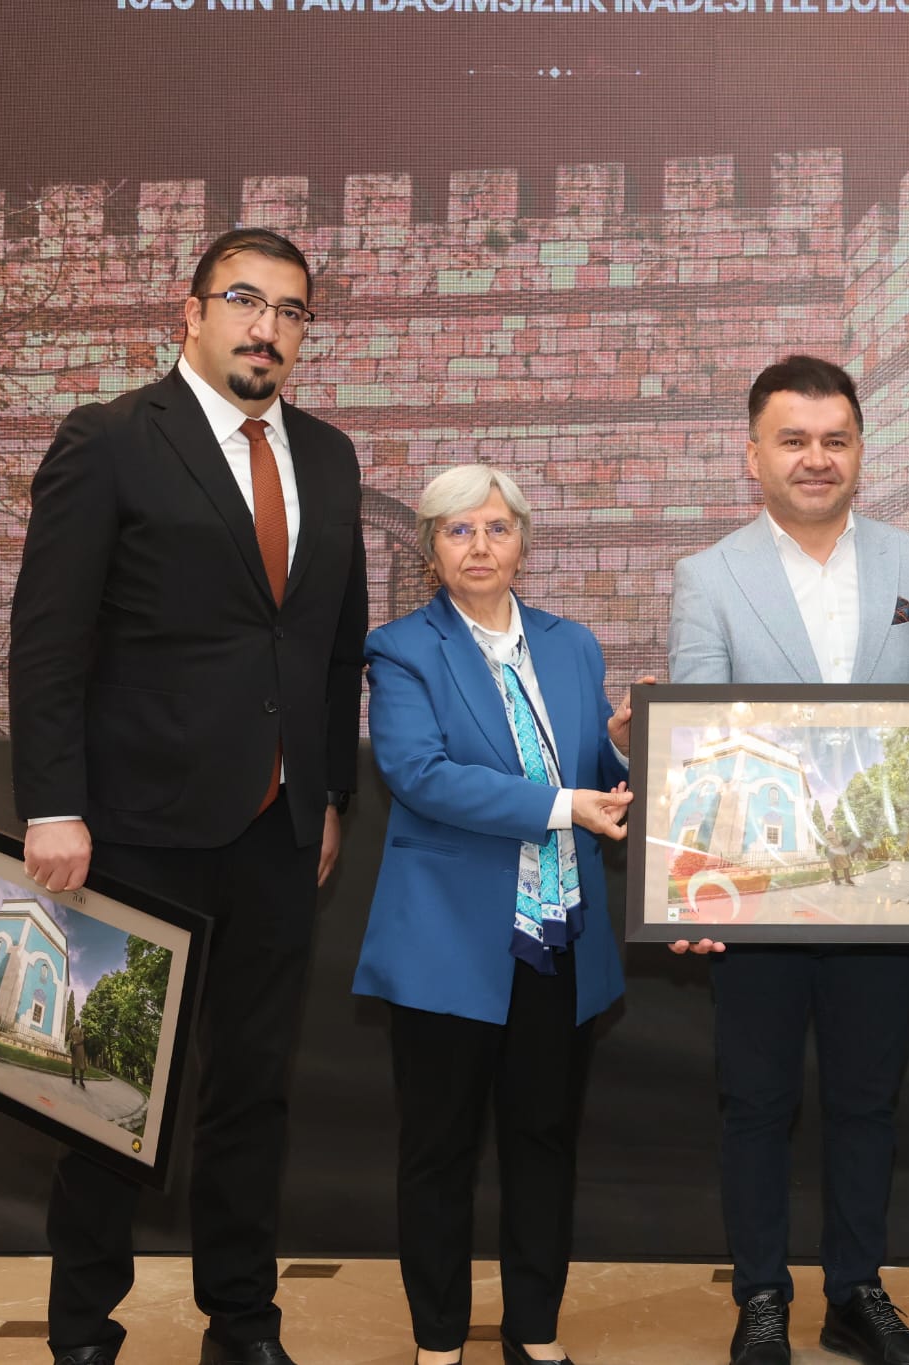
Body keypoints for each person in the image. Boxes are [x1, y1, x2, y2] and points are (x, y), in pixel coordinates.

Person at [9, 227, 368, 1365]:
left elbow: (331, 644)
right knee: (108, 1086)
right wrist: (52, 803)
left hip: (277, 828)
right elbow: (49, 639)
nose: (268, 328)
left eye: (291, 311)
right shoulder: (110, 439)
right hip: (134, 825)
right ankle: (83, 1330)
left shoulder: (329, 457)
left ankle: (243, 1325)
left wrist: (328, 793)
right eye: (246, 301)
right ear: (194, 311)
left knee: (252, 1091)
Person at [667, 356, 909, 1365]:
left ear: (860, 450)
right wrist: (692, 887)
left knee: (866, 1100)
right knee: (755, 1102)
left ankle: (856, 1292)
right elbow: (697, 737)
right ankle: (761, 1296)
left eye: (835, 439)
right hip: (758, 891)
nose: (815, 458)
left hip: (886, 885)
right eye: (792, 440)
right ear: (752, 455)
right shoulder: (708, 576)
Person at [352, 465, 637, 1365]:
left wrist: (621, 750)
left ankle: (535, 1332)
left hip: (559, 937)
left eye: (496, 528)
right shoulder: (401, 648)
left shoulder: (572, 645)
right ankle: (439, 1341)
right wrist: (562, 805)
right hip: (449, 940)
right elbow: (420, 774)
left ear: (523, 543)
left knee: (543, 1140)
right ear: (431, 550)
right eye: (458, 530)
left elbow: (591, 771)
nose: (479, 546)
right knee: (439, 1150)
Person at [67, 1019, 88, 1089]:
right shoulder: (80, 1030)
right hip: (80, 1048)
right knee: (82, 1064)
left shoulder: (72, 1030)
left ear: (75, 1024)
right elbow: (82, 1039)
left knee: (74, 1063)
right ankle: (81, 1081)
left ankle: (73, 1079)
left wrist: (73, 1042)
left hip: (74, 1048)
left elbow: (70, 1038)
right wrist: (78, 1042)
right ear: (79, 1024)